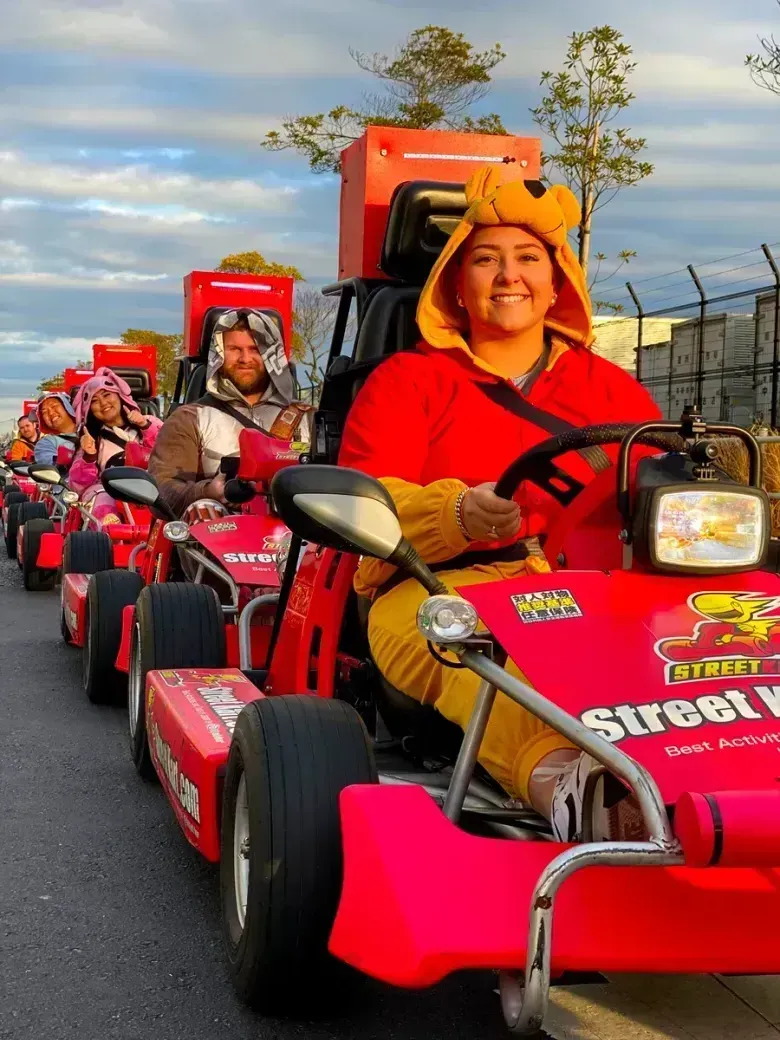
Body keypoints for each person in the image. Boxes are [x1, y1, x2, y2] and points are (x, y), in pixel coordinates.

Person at [338, 168, 661, 843]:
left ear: (557, 281)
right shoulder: (406, 381)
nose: (509, 275)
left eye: (527, 258)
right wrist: (456, 514)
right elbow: (365, 501)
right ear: (456, 283)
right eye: (486, 259)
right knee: (489, 654)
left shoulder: (613, 389)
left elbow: (660, 485)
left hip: (596, 588)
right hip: (436, 587)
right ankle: (570, 789)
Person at [148, 310, 312, 518]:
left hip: (299, 533)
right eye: (234, 349)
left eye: (255, 349)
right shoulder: (188, 418)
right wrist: (207, 492)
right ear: (218, 354)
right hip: (218, 533)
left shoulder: (309, 419)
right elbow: (161, 490)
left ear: (271, 355)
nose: (245, 359)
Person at [68, 368, 163, 524]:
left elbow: (170, 452)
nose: (103, 403)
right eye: (94, 401)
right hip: (110, 492)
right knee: (101, 498)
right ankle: (110, 530)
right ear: (89, 409)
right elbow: (77, 486)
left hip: (153, 485)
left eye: (107, 395)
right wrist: (89, 457)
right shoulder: (91, 440)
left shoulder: (149, 422)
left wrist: (145, 426)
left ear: (120, 396)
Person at [34, 392, 79, 466]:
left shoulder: (91, 429)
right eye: (44, 412)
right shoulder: (46, 443)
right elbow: (49, 465)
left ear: (67, 406)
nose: (50, 413)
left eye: (54, 406)